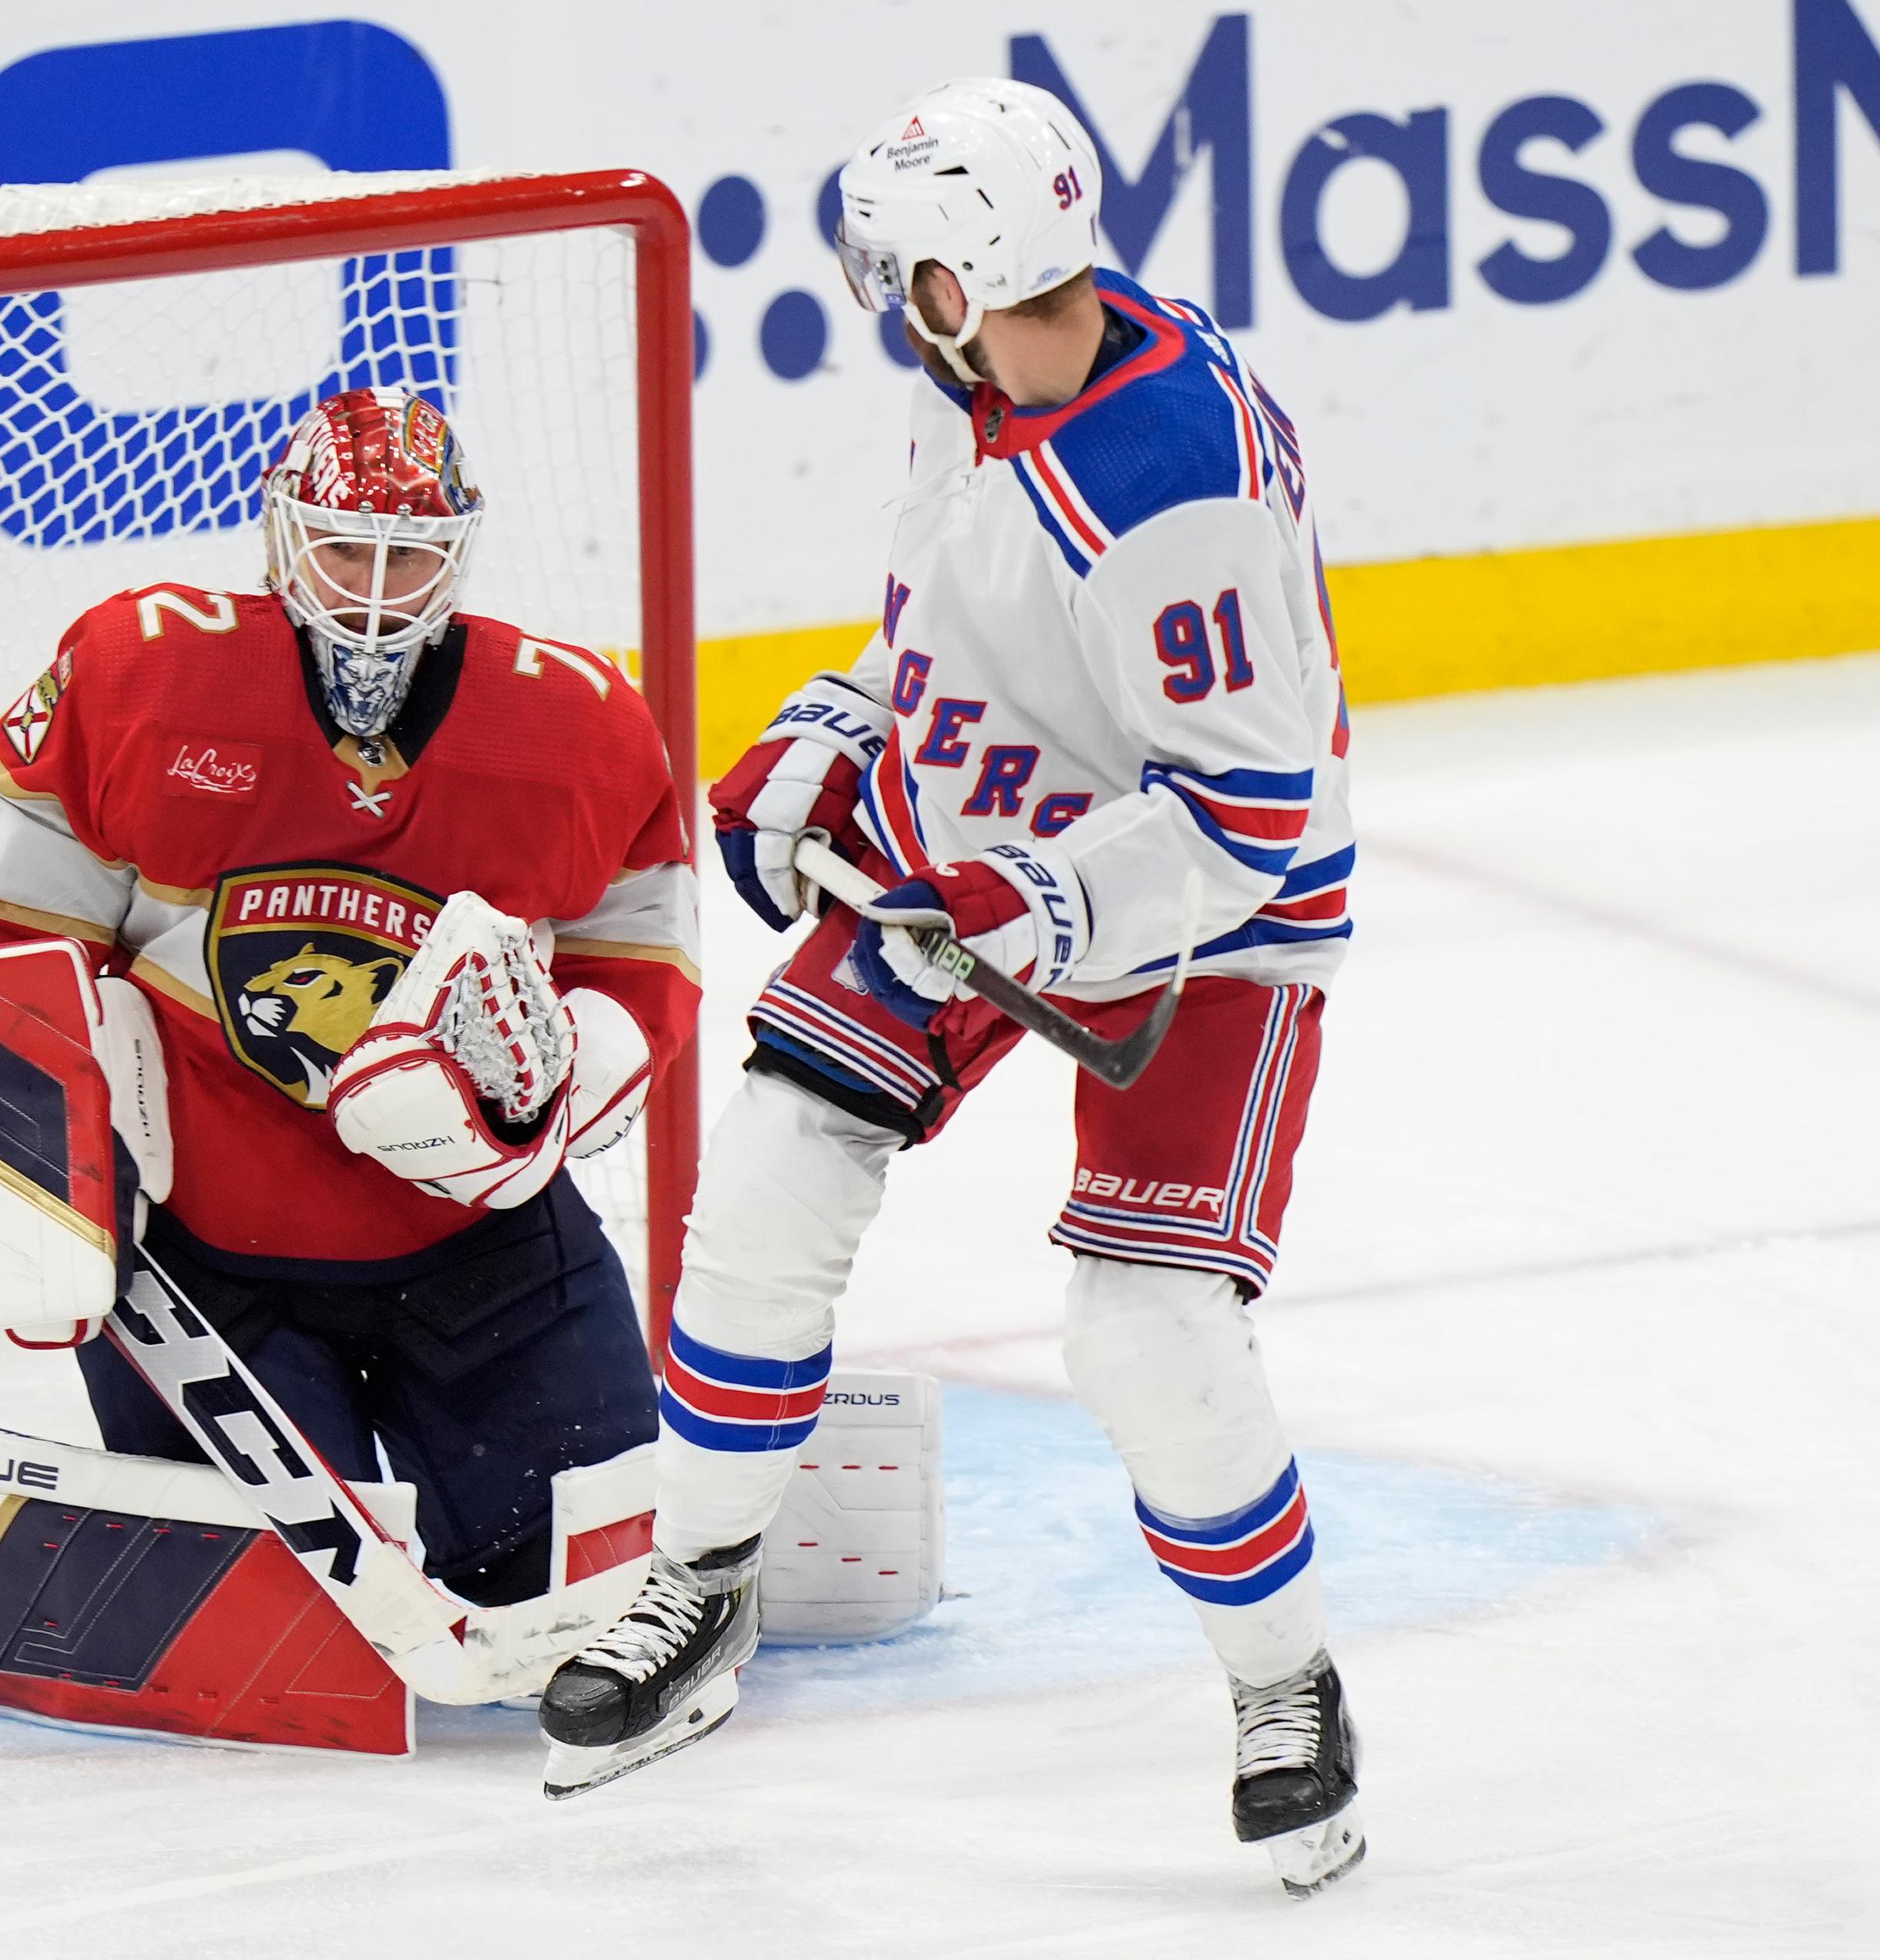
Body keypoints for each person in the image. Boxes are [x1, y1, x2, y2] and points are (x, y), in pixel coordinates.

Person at [539, 80, 1367, 1894]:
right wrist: (844, 729)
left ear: (966, 267)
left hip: (1203, 922)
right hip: (985, 855)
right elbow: (954, 619)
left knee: (1148, 1337)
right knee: (765, 1185)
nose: (886, 306)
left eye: (904, 271)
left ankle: (1287, 1690)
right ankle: (701, 1579)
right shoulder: (984, 375)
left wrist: (1043, 899)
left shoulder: (1176, 488)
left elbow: (1248, 810)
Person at [0, 386, 696, 1613]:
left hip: (475, 1247)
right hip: (207, 1264)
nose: (375, 584)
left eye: (412, 555)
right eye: (343, 545)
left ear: (460, 555)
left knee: (579, 1593)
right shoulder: (146, 676)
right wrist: (40, 1182)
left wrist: (547, 1096)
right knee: (289, 1625)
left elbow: (645, 950)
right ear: (281, 535)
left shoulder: (571, 728)